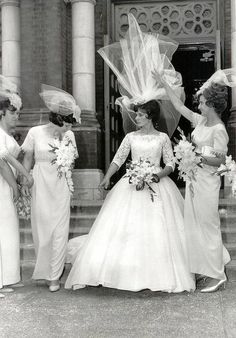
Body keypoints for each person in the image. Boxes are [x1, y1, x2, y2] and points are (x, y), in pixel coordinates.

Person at [65, 99, 195, 292]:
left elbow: (170, 164)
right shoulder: (130, 137)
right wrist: (107, 177)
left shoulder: (162, 138)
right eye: (137, 114)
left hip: (157, 184)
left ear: (150, 116)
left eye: (142, 114)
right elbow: (118, 159)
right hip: (132, 183)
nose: (137, 117)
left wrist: (156, 175)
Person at [153, 68, 236, 292]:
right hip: (193, 181)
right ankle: (202, 269)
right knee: (194, 227)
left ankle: (217, 274)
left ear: (210, 105)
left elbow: (219, 160)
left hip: (207, 183)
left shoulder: (219, 129)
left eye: (201, 103)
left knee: (208, 226)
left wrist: (192, 153)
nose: (198, 106)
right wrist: (164, 84)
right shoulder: (200, 122)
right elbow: (179, 107)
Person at [22, 85, 80, 292]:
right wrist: (24, 181)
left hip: (61, 184)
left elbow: (72, 162)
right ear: (57, 118)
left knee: (59, 229)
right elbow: (28, 158)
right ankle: (45, 271)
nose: (68, 126)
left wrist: (66, 156)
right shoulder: (35, 132)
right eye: (65, 122)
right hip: (40, 181)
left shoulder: (69, 135)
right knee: (42, 229)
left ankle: (54, 276)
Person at [0, 76, 34, 293]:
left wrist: (20, 179)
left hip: (7, 183)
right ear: (2, 113)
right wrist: (17, 183)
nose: (17, 117)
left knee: (9, 230)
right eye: (13, 113)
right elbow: (3, 161)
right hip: (3, 185)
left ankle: (9, 276)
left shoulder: (6, 135)